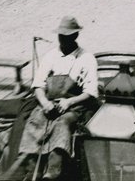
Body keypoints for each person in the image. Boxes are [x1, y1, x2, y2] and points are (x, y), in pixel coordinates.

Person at [20, 17, 100, 181]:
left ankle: (52, 172)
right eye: (61, 36)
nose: (63, 39)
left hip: (75, 106)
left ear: (75, 36)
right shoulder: (51, 56)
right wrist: (44, 102)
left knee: (62, 123)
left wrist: (69, 102)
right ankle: (30, 169)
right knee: (35, 121)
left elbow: (90, 92)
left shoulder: (86, 58)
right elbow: (38, 85)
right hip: (49, 104)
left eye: (67, 36)